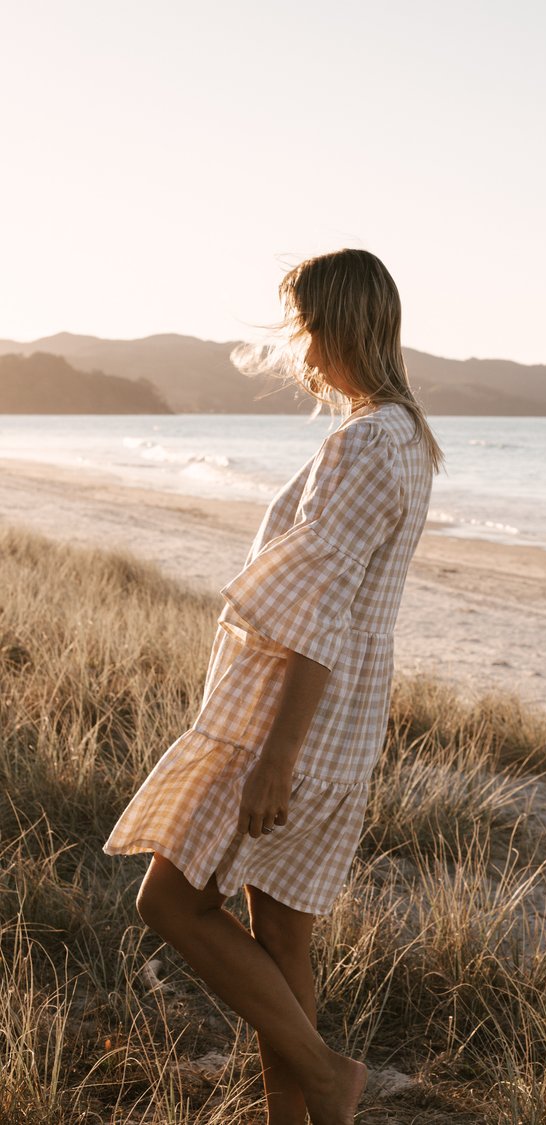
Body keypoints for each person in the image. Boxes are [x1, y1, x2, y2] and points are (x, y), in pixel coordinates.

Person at [102, 247, 445, 1125]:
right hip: (345, 709)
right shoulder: (404, 435)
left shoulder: (366, 443)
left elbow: (320, 616)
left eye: (304, 327)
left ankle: (328, 1078)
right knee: (282, 932)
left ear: (336, 327)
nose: (298, 347)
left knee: (170, 901)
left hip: (293, 721)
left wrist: (277, 755)